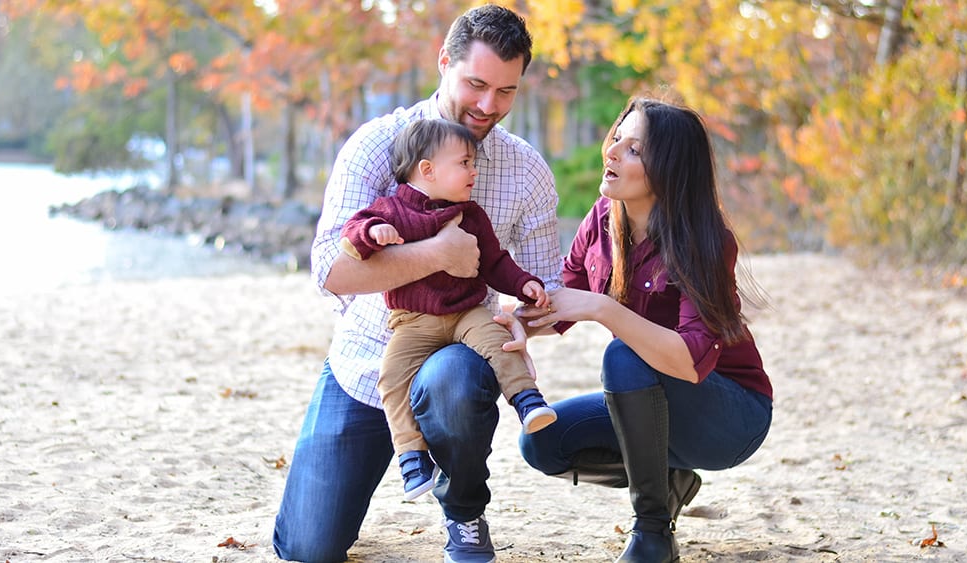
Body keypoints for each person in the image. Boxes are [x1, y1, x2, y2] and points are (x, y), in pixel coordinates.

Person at [272, 5, 563, 563]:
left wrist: (527, 320)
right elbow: (331, 270)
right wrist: (436, 253)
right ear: (443, 62)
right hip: (366, 362)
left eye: (506, 91)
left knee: (455, 379)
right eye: (476, 84)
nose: (488, 106)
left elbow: (541, 285)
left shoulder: (524, 170)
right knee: (309, 548)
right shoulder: (377, 144)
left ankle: (465, 516)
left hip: (456, 355)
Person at [515, 96, 773, 563]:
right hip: (652, 405)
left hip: (729, 413)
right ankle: (672, 479)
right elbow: (560, 303)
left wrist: (604, 310)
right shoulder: (601, 219)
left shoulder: (704, 241)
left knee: (624, 355)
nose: (612, 152)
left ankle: (652, 531)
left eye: (634, 150)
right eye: (618, 138)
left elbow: (690, 363)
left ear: (669, 170)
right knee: (542, 443)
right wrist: (508, 324)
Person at [338, 117, 557, 502]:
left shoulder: (470, 214)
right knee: (391, 377)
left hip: (465, 312)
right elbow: (352, 233)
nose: (474, 171)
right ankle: (411, 457)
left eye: (474, 163)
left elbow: (494, 262)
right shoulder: (391, 211)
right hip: (413, 322)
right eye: (465, 163)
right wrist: (373, 234)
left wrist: (522, 283)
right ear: (427, 170)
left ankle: (527, 401)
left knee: (498, 341)